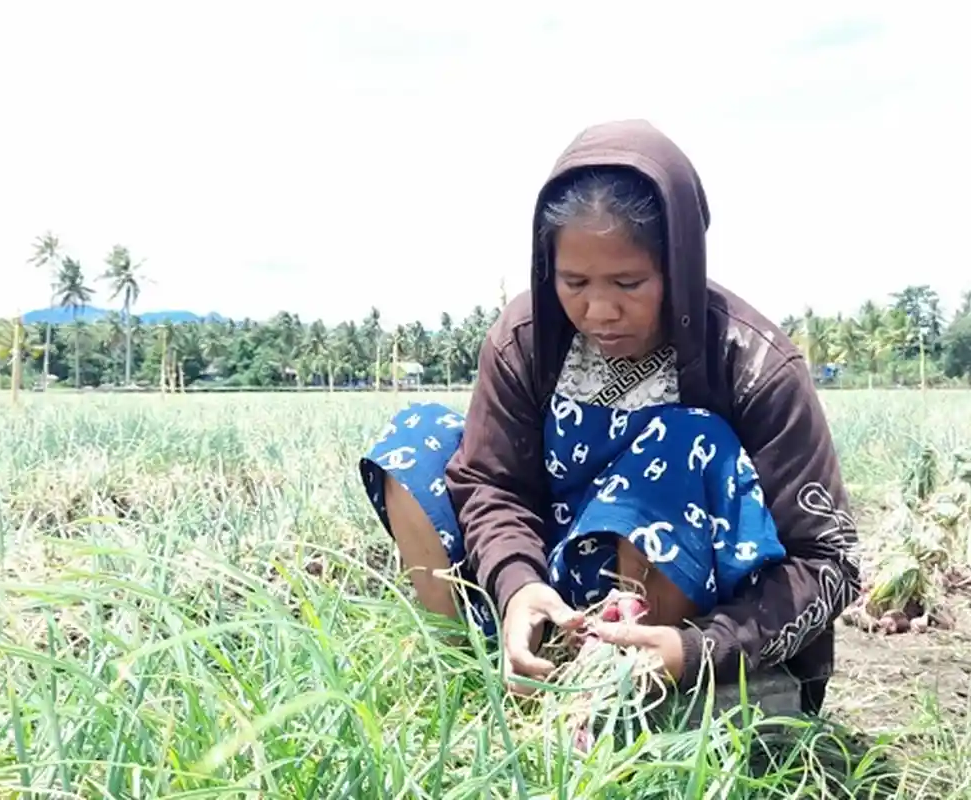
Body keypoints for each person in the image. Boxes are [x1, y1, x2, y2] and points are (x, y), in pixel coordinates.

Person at [358, 119, 859, 715]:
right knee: (416, 439)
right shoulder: (526, 340)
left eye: (629, 282)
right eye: (574, 282)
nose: (599, 310)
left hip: (688, 628)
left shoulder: (753, 364)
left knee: (685, 440)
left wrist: (697, 649)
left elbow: (828, 561)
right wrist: (518, 586)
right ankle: (484, 681)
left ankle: (621, 694)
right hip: (551, 582)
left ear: (679, 265)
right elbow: (492, 483)